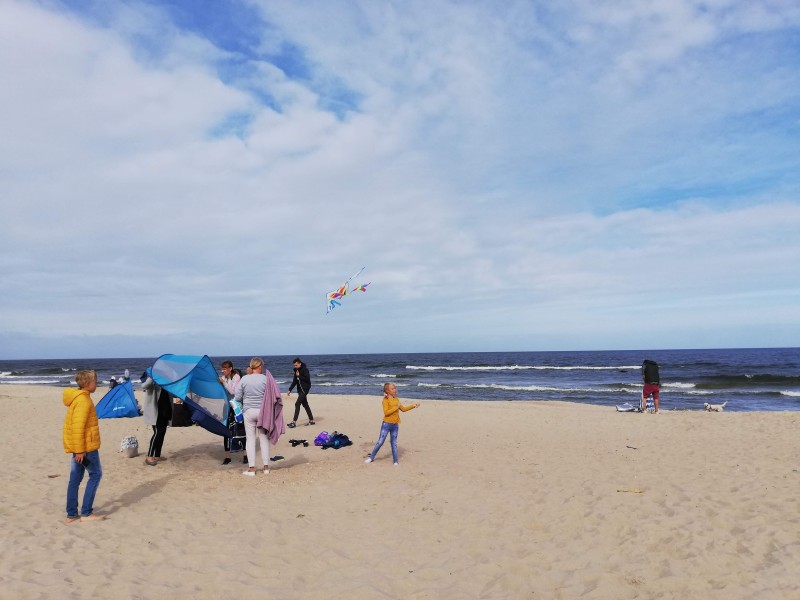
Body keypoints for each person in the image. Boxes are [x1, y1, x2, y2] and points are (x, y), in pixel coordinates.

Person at [63, 369, 106, 523]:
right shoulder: (83, 401)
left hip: (79, 448)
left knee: (75, 479)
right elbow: (77, 427)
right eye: (95, 381)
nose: (97, 383)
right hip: (85, 448)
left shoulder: (79, 398)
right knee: (96, 474)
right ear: (88, 384)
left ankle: (72, 515)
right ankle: (86, 513)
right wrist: (80, 451)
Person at [234, 357, 284, 476]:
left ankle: (252, 469)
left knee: (250, 439)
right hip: (263, 412)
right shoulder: (266, 379)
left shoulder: (244, 379)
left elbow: (237, 397)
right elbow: (272, 396)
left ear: (252, 366)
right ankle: (266, 467)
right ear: (260, 366)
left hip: (249, 411)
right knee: (263, 438)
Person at [364, 383, 420, 466]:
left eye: (395, 388)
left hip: (395, 425)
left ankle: (395, 461)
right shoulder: (385, 400)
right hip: (386, 424)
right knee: (380, 442)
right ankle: (371, 458)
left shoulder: (396, 399)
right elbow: (386, 412)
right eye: (392, 389)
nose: (395, 390)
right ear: (387, 391)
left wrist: (413, 406)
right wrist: (396, 407)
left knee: (394, 443)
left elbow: (403, 409)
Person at [142, 371, 172, 466]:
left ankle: (157, 455)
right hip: (155, 411)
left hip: (165, 409)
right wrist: (152, 377)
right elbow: (144, 386)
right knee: (157, 432)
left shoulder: (167, 378)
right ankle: (149, 456)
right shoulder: (153, 377)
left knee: (162, 432)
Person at [218, 360, 243, 465]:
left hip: (237, 407)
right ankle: (228, 457)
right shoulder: (223, 378)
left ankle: (245, 455)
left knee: (240, 430)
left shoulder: (236, 377)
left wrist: (223, 383)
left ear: (230, 369)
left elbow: (233, 392)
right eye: (222, 369)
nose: (222, 371)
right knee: (226, 431)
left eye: (224, 369)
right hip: (227, 406)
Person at [286, 357, 314, 428]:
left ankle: (294, 422)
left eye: (296, 365)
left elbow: (307, 379)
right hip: (299, 390)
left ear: (300, 364)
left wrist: (299, 376)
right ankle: (311, 420)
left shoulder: (305, 370)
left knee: (297, 404)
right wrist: (290, 390)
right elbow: (295, 381)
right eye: (294, 365)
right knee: (305, 405)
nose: (295, 367)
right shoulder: (296, 371)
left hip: (305, 389)